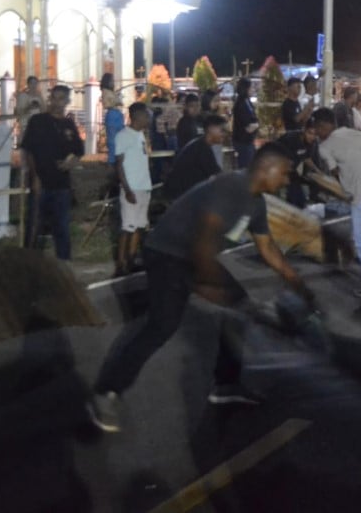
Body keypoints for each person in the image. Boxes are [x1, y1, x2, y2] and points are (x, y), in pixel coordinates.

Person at [88, 145, 315, 432]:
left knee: (239, 308)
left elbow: (267, 248)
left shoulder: (256, 203)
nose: (286, 180)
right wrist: (208, 286)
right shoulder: (231, 186)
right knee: (162, 326)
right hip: (167, 253)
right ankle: (105, 392)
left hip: (193, 256)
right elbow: (203, 246)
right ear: (265, 167)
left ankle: (226, 384)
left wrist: (297, 283)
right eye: (284, 173)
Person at [313, 108, 361, 298]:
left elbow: (335, 172)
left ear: (323, 126)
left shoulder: (325, 146)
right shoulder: (355, 133)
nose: (316, 133)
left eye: (317, 129)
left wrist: (344, 191)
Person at [21, 85, 84, 260]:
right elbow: (29, 151)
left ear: (67, 101)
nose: (56, 102)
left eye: (61, 98)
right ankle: (28, 262)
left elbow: (79, 150)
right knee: (34, 226)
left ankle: (64, 264)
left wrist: (70, 162)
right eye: (54, 98)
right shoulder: (38, 121)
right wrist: (35, 178)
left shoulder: (69, 124)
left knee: (62, 227)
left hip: (61, 185)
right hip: (41, 184)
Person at [114, 103, 152, 276]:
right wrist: (127, 189)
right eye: (146, 115)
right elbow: (119, 165)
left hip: (144, 186)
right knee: (128, 226)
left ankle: (131, 258)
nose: (148, 119)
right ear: (137, 116)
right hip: (132, 188)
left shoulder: (141, 134)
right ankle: (121, 262)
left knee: (139, 225)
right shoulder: (123, 136)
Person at [165, 114, 227, 200]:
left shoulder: (200, 144)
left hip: (183, 193)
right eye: (222, 130)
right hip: (182, 196)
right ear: (211, 129)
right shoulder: (202, 148)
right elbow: (218, 174)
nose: (224, 134)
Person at [276, 119, 323, 208]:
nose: (312, 137)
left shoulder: (312, 142)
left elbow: (307, 158)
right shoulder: (291, 138)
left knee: (300, 201)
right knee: (292, 196)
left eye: (315, 134)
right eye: (310, 133)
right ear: (304, 130)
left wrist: (318, 171)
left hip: (291, 169)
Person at [232, 77, 259, 169]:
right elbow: (248, 128)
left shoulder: (247, 101)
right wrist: (256, 124)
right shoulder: (241, 104)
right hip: (243, 142)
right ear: (245, 89)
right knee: (246, 168)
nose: (253, 89)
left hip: (248, 141)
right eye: (251, 87)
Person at [15, 76, 45, 141]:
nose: (33, 85)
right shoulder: (23, 96)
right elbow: (19, 112)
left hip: (37, 126)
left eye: (35, 83)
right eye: (31, 83)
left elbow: (44, 111)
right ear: (28, 84)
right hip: (26, 125)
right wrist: (29, 107)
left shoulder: (39, 96)